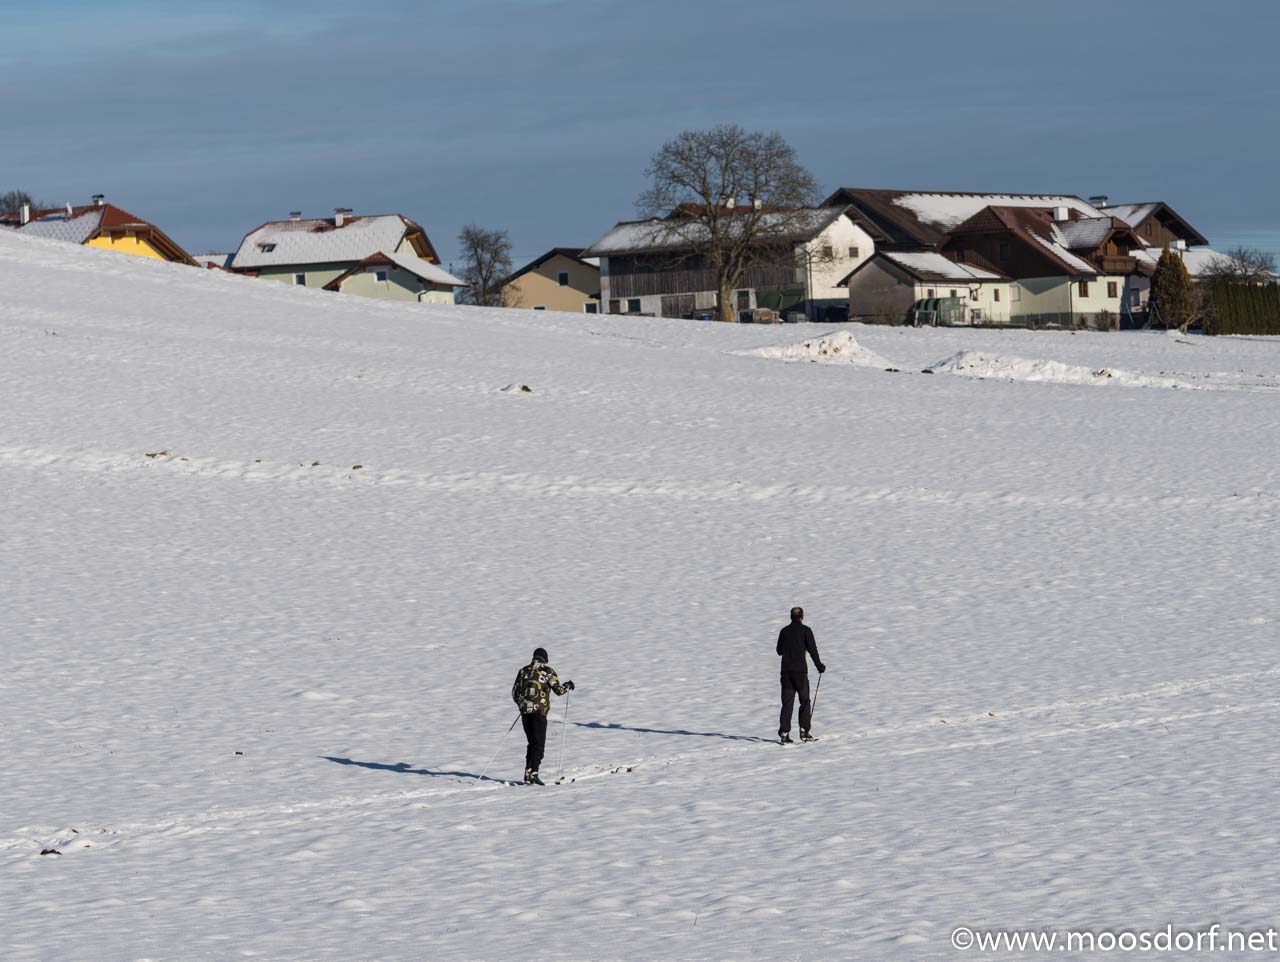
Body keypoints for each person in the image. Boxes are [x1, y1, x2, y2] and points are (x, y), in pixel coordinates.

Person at [511, 647, 574, 785]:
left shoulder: (523, 671)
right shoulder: (547, 671)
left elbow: (514, 692)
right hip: (539, 712)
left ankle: (528, 773)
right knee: (539, 745)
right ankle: (534, 773)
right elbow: (558, 690)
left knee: (531, 743)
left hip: (525, 713)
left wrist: (523, 705)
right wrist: (568, 686)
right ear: (545, 659)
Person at [776, 606, 825, 744]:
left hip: (786, 673)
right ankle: (804, 731)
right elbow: (812, 650)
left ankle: (784, 733)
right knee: (804, 701)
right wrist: (819, 666)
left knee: (787, 703)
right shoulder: (806, 631)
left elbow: (779, 651)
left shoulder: (784, 631)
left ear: (791, 617)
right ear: (802, 617)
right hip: (800, 673)